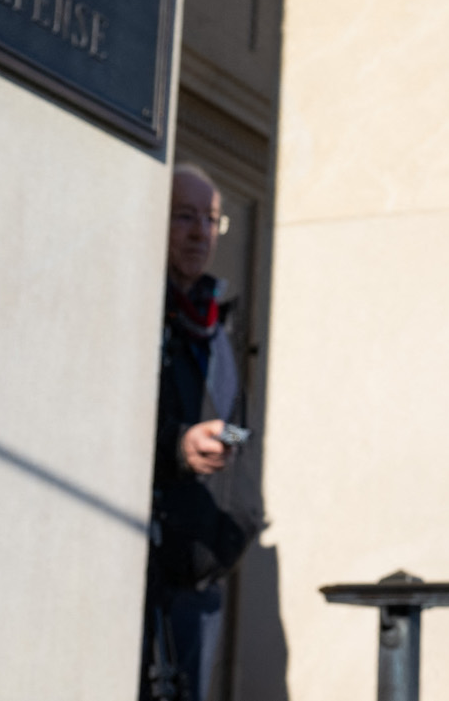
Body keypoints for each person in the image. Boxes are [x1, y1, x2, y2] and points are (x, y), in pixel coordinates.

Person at [141, 165, 264, 700]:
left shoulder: (219, 320)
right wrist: (175, 446)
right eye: (184, 216)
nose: (199, 232)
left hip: (206, 570)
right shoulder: (140, 308)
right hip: (148, 567)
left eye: (210, 219)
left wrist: (244, 516)